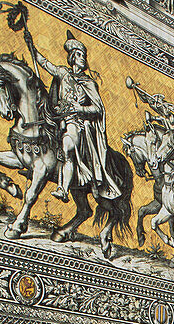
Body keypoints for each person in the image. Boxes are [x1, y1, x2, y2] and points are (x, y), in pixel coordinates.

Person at [24, 28, 121, 202]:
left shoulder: (89, 83)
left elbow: (98, 109)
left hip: (76, 123)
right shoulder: (63, 73)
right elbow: (45, 64)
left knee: (67, 146)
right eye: (79, 55)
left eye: (83, 55)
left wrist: (79, 108)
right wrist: (32, 48)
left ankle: (63, 189)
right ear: (72, 57)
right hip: (56, 119)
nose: (83, 58)